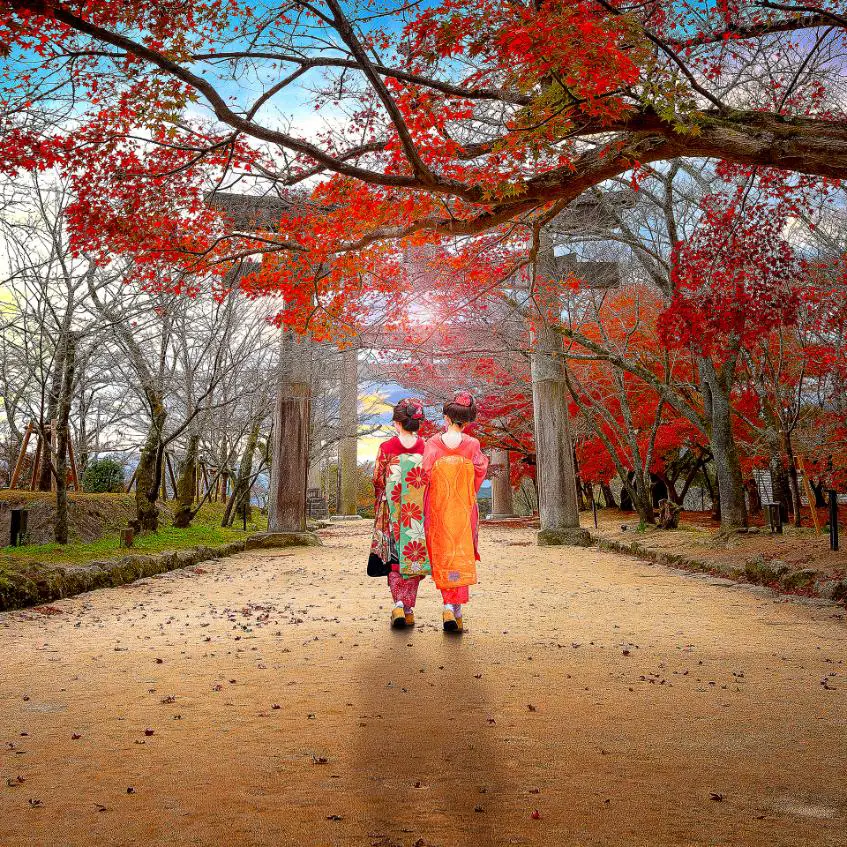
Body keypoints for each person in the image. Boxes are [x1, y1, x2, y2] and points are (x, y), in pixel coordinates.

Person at [422, 391, 489, 633]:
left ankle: (449, 604)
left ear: (446, 418)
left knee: (442, 552)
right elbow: (480, 471)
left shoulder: (432, 443)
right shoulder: (472, 445)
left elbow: (425, 474)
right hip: (462, 508)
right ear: (467, 420)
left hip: (438, 508)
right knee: (460, 552)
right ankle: (455, 608)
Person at [368, 397, 431, 629]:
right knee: (413, 557)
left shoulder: (386, 448)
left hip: (392, 510)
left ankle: (398, 604)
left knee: (394, 558)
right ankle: (409, 609)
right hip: (417, 513)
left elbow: (377, 479)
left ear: (397, 423)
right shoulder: (426, 448)